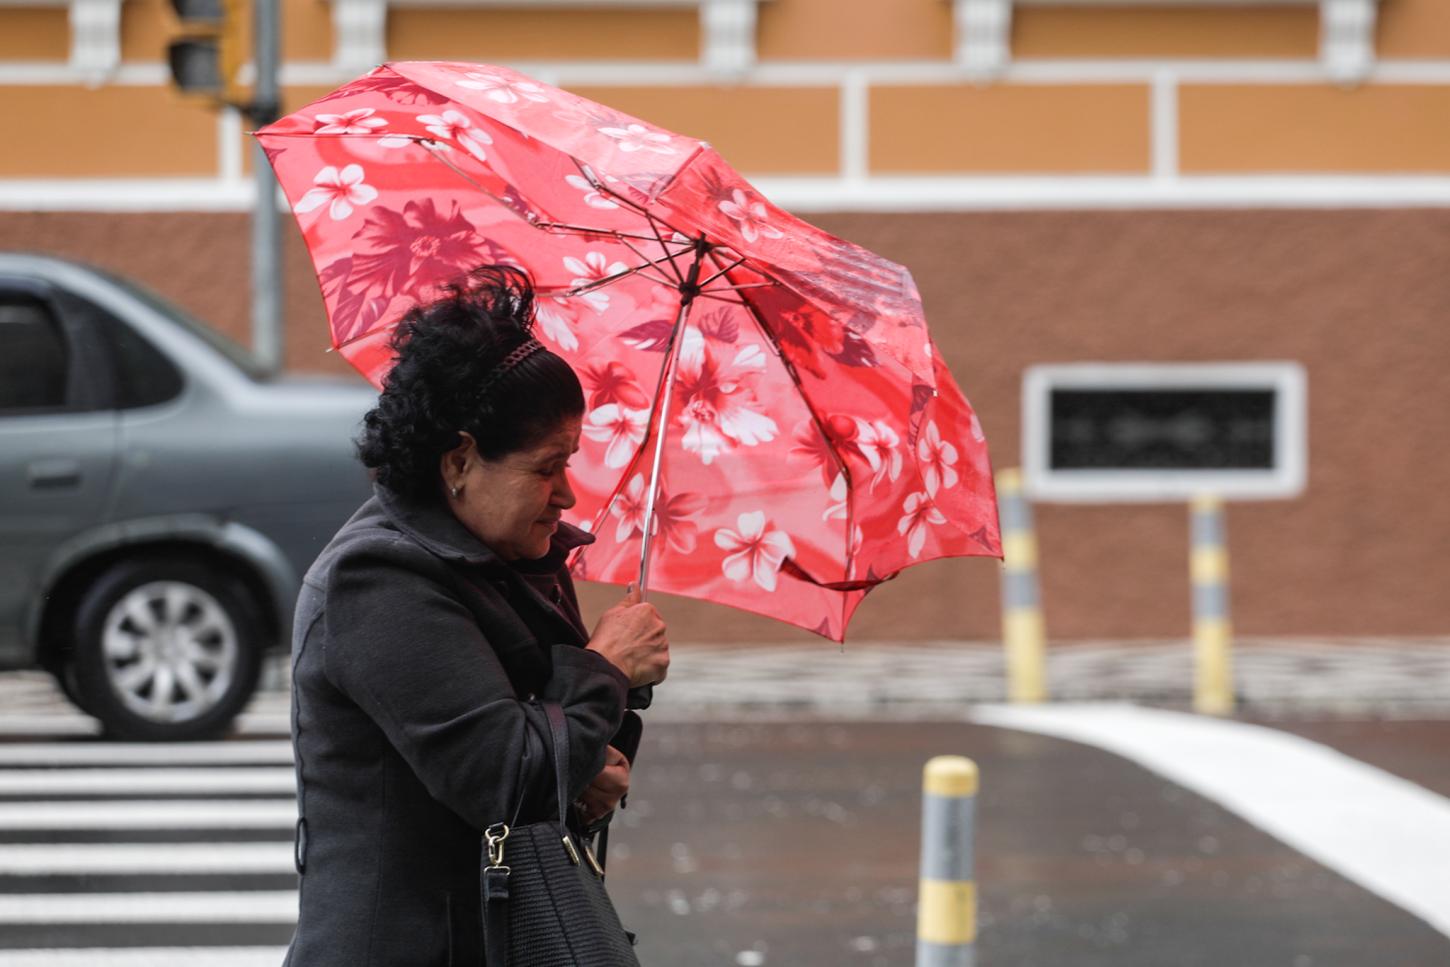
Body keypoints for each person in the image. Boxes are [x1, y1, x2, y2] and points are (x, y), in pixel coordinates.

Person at [283, 266, 669, 967]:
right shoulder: (376, 580)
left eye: (571, 462)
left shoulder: (503, 560)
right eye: (546, 467)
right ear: (460, 458)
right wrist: (607, 666)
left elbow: (537, 749)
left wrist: (588, 778)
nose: (568, 495)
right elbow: (501, 773)